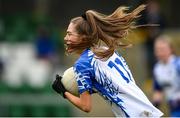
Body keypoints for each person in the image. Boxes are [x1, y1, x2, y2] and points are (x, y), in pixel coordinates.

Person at [52, 4, 163, 117]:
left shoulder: (82, 64)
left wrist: (63, 92)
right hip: (147, 111)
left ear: (83, 37)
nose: (66, 38)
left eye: (70, 34)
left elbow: (86, 106)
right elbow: (113, 83)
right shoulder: (106, 51)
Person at [153, 35, 180, 117]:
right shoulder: (157, 68)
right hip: (174, 109)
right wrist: (153, 106)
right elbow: (158, 90)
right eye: (158, 50)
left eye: (163, 49)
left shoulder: (177, 64)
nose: (160, 52)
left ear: (171, 49)